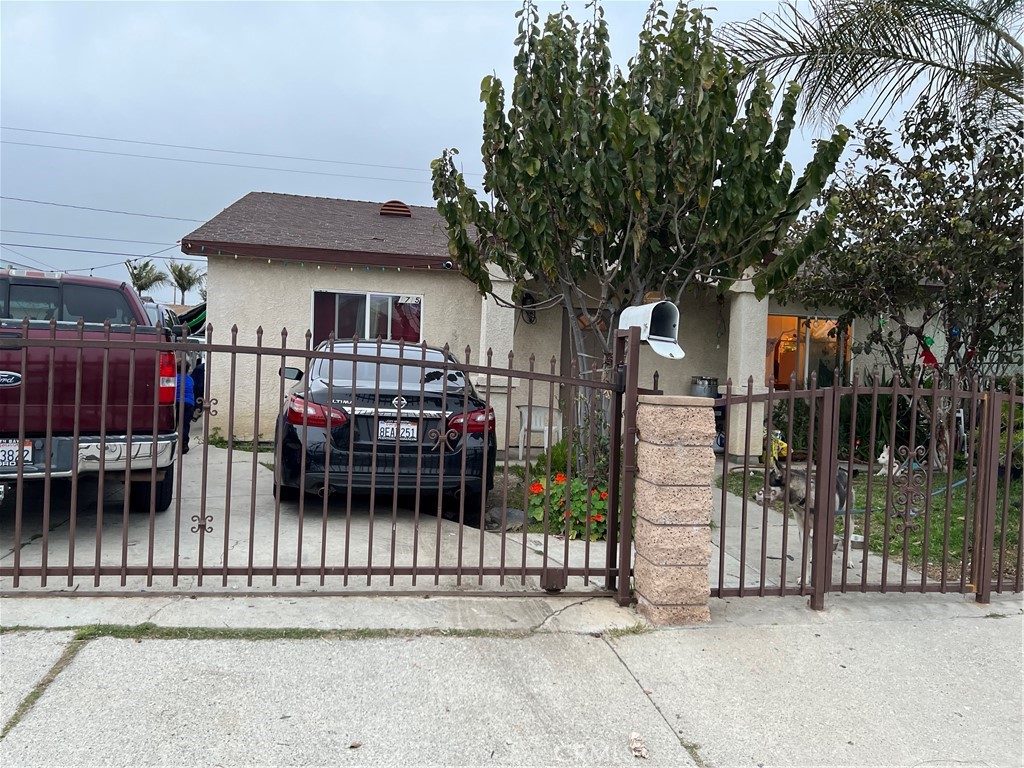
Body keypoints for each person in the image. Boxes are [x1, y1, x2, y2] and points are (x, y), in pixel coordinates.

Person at [176, 360, 195, 454]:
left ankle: (173, 443)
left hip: (176, 402)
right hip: (189, 403)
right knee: (185, 424)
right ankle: (184, 444)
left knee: (174, 425)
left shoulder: (174, 378)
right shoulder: (190, 379)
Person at [190, 353, 206, 423]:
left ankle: (197, 413)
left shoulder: (199, 368)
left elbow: (192, 379)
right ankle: (197, 413)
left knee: (198, 401)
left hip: (198, 387)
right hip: (201, 387)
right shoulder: (201, 368)